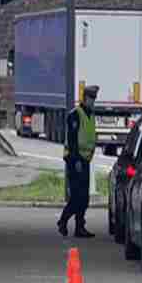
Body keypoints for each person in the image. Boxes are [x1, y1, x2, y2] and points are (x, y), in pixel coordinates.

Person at [58, 85, 99, 239]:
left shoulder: (90, 114)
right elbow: (73, 140)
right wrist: (76, 160)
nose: (92, 101)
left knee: (84, 197)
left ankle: (79, 227)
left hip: (85, 159)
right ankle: (63, 221)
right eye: (90, 98)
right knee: (77, 196)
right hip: (75, 160)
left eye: (94, 98)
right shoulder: (75, 114)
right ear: (84, 98)